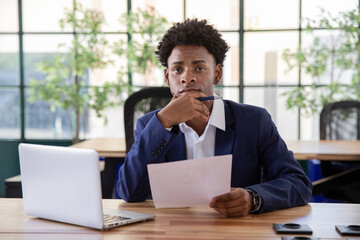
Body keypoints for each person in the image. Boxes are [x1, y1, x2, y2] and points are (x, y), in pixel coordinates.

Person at [117, 19, 312, 217]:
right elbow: (128, 192)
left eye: (199, 68)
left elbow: (298, 183)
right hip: (172, 231)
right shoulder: (151, 124)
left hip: (234, 230)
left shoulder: (254, 121)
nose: (187, 78)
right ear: (167, 78)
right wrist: (163, 121)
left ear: (217, 74)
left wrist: (253, 198)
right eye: (177, 70)